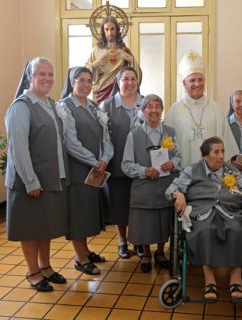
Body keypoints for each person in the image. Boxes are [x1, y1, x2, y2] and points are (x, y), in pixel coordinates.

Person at [166, 137, 242, 301]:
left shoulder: (229, 169)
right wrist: (178, 194)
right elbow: (172, 188)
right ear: (205, 155)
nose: (221, 156)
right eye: (216, 152)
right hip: (202, 213)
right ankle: (209, 280)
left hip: (231, 212)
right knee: (204, 230)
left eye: (222, 151)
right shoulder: (193, 170)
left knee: (238, 229)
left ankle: (235, 278)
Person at [5, 57, 68, 292]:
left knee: (44, 226)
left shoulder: (51, 104)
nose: (47, 79)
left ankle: (45, 266)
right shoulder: (21, 106)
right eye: (41, 74)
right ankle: (32, 271)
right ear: (30, 78)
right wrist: (30, 180)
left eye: (50, 74)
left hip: (49, 179)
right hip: (29, 182)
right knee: (31, 228)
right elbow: (18, 148)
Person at [57, 67, 114, 275]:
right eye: (80, 80)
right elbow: (71, 142)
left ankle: (86, 250)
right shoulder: (64, 107)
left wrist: (105, 158)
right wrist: (93, 161)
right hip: (78, 170)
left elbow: (106, 138)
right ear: (72, 82)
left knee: (89, 211)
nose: (85, 85)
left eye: (89, 81)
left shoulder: (93, 106)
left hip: (95, 170)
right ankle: (80, 258)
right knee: (78, 213)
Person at [121, 94, 181, 273]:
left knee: (164, 220)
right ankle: (146, 253)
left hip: (166, 185)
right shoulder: (134, 135)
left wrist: (174, 163)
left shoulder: (171, 132)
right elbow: (125, 164)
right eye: (150, 107)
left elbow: (179, 156)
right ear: (143, 110)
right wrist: (144, 171)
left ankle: (160, 252)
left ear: (162, 110)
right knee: (145, 223)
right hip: (144, 187)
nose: (154, 110)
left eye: (158, 106)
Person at [164, 50, 239, 168]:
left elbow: (226, 143)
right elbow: (166, 146)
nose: (197, 84)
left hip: (212, 173)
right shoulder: (174, 111)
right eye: (192, 80)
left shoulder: (215, 109)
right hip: (183, 174)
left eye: (200, 80)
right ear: (184, 83)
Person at [100, 66, 144, 259]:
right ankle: (122, 241)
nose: (129, 83)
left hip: (142, 165)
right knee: (119, 205)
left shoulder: (145, 103)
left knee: (139, 205)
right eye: (125, 79)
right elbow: (102, 137)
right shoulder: (106, 106)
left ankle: (140, 241)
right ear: (117, 82)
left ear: (138, 82)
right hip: (116, 163)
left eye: (133, 79)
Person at [86, 16, 141, 103]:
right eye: (106, 29)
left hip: (121, 91)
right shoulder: (96, 51)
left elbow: (136, 72)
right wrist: (94, 65)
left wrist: (130, 59)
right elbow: (84, 73)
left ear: (117, 30)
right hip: (102, 90)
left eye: (112, 29)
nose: (110, 33)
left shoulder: (124, 50)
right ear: (103, 31)